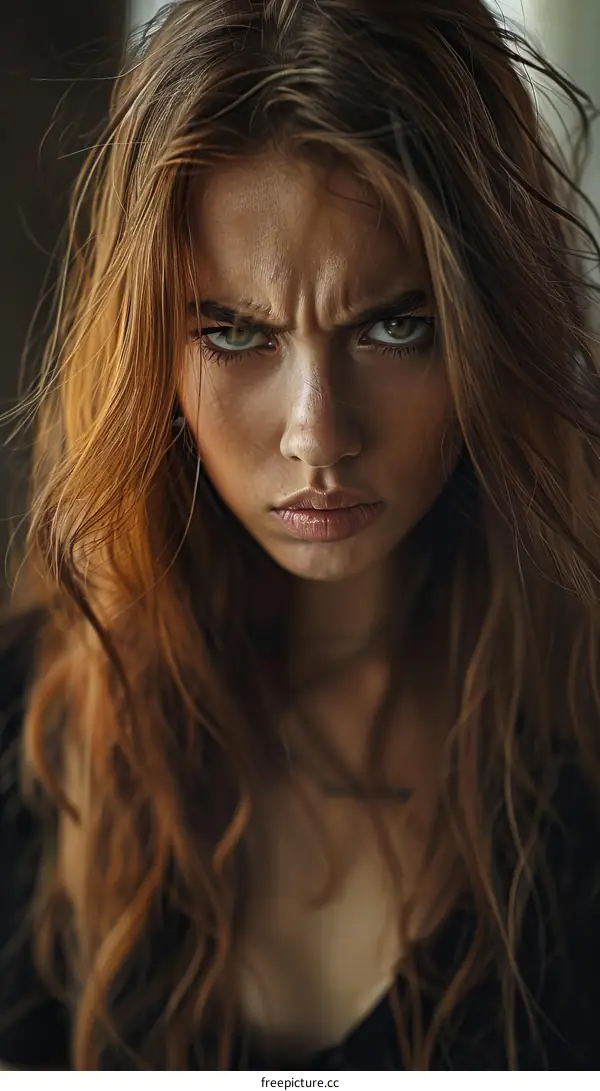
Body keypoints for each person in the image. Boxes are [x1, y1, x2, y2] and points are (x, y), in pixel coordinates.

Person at [1, 0, 600, 1072]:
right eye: (235, 332)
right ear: (150, 355)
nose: (317, 434)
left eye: (393, 324)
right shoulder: (28, 737)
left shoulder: (579, 718)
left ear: (490, 323)